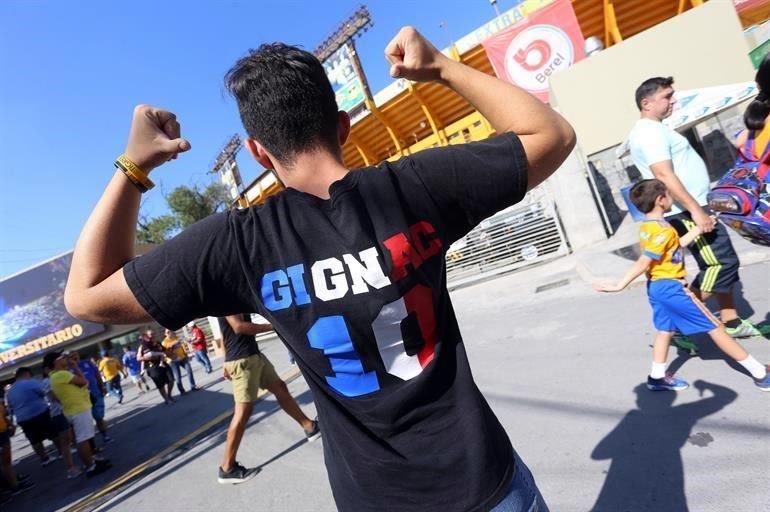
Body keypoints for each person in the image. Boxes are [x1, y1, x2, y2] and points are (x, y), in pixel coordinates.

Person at [63, 26, 575, 510]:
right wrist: (440, 66)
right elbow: (551, 133)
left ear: (258, 153)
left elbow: (85, 296)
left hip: (377, 499)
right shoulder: (414, 186)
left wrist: (134, 165)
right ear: (344, 125)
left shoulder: (238, 242)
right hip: (485, 480)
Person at [594, 179, 770, 391]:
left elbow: (673, 247)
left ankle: (657, 377)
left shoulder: (648, 227)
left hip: (656, 288)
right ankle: (761, 374)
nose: (671, 199)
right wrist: (619, 285)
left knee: (664, 330)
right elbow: (645, 260)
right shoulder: (662, 230)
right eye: (669, 195)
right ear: (661, 200)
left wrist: (698, 229)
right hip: (672, 288)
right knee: (716, 329)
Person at [627, 76, 764, 340]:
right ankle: (677, 325)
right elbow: (664, 175)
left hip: (693, 205)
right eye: (667, 96)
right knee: (720, 265)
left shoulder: (657, 129)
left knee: (718, 263)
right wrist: (696, 210)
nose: (674, 100)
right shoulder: (649, 133)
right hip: (685, 210)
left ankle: (731, 321)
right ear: (646, 103)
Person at [217, 314, 320, 484]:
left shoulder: (231, 294)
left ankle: (309, 427)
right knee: (243, 411)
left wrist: (225, 360)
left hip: (252, 355)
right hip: (242, 361)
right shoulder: (224, 296)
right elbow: (238, 326)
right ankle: (227, 468)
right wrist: (273, 326)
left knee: (280, 388)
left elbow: (225, 332)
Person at [48, 352, 112, 477]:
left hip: (74, 409)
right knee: (83, 439)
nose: (66, 359)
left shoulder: (56, 375)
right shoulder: (61, 374)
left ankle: (91, 462)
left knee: (83, 439)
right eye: (62, 358)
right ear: (55, 362)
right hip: (78, 409)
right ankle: (90, 466)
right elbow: (84, 381)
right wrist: (76, 367)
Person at [5, 368, 55, 466]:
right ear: (27, 374)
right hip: (40, 412)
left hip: (23, 418)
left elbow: (10, 407)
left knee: (34, 439)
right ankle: (63, 451)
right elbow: (43, 392)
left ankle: (44, 458)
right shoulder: (31, 383)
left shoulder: (10, 392)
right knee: (53, 433)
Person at [41, 356, 81, 479]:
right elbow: (54, 396)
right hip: (59, 413)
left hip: (69, 410)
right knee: (66, 441)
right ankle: (70, 468)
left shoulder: (61, 375)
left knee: (75, 437)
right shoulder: (47, 381)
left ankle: (85, 459)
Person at [69, 352, 112, 444]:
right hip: (81, 398)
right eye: (71, 356)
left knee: (98, 417)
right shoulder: (68, 370)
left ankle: (105, 435)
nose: (74, 357)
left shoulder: (87, 363)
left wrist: (102, 387)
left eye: (75, 354)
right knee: (86, 421)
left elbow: (97, 376)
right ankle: (91, 443)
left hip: (95, 394)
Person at [0, 396, 34, 502]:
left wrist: (10, 425)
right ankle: (14, 486)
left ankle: (12, 483)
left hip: (3, 431)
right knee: (6, 463)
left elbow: (3, 413)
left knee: (5, 462)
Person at [137, 329, 175, 404]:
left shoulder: (157, 343)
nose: (152, 336)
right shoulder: (142, 346)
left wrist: (171, 351)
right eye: (150, 334)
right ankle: (166, 399)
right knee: (160, 385)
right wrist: (149, 357)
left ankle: (169, 395)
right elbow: (138, 358)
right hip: (153, 367)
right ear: (146, 336)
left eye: (153, 334)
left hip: (163, 364)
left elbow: (165, 352)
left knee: (171, 380)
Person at [161, 328, 197, 393]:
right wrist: (172, 347)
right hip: (173, 360)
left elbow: (182, 347)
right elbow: (165, 352)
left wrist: (186, 355)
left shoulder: (176, 338)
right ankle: (181, 390)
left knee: (189, 370)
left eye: (170, 331)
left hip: (182, 357)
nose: (169, 333)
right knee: (178, 375)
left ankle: (193, 386)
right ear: (165, 334)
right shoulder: (164, 342)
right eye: (167, 332)